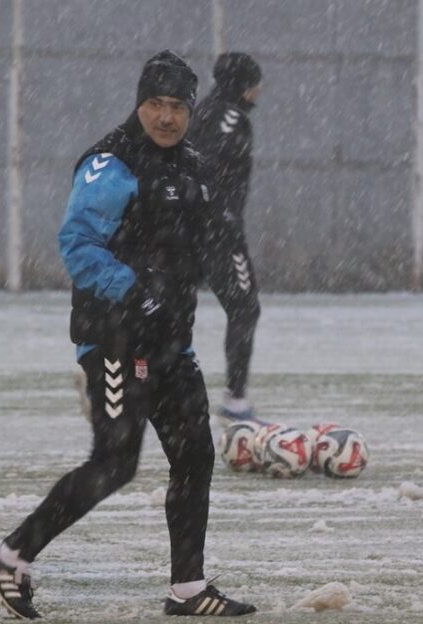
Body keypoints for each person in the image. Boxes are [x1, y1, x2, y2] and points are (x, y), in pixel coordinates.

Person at [0, 50, 257, 621]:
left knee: (195, 454)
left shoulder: (191, 166)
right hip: (115, 341)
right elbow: (77, 246)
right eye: (155, 103)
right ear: (139, 103)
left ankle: (188, 589)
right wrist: (135, 294)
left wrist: (232, 288)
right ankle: (11, 555)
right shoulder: (112, 164)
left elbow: (204, 241)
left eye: (177, 106)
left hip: (170, 343)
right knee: (115, 461)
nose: (166, 116)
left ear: (190, 110)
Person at [186, 52, 264, 423]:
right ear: (244, 85)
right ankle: (236, 403)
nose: (259, 91)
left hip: (188, 227)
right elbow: (211, 165)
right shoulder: (230, 118)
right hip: (217, 232)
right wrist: (223, 216)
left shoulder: (203, 109)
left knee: (168, 313)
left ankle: (136, 384)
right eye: (255, 82)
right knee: (245, 307)